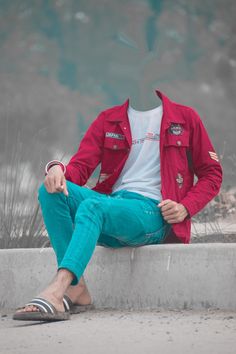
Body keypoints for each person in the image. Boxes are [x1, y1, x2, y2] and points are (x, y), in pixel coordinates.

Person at [13, 89, 222, 321]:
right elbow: (79, 169)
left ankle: (58, 288)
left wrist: (185, 207)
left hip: (152, 212)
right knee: (50, 191)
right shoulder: (109, 119)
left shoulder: (185, 117)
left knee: (92, 206)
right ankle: (77, 287)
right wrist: (55, 169)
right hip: (114, 206)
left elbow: (212, 174)